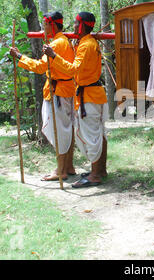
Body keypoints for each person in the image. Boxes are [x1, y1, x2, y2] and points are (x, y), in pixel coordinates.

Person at [43, 11, 108, 188]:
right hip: (93, 94)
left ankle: (95, 175)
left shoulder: (86, 45)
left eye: (75, 24)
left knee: (91, 136)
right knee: (98, 134)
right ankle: (100, 170)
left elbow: (73, 70)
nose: (72, 27)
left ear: (81, 25)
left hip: (90, 97)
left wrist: (54, 56)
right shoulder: (87, 43)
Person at [10, 11, 77, 182]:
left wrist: (19, 56)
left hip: (58, 92)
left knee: (59, 131)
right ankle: (68, 166)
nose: (42, 28)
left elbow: (40, 67)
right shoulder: (64, 41)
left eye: (44, 24)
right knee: (66, 130)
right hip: (66, 90)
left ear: (51, 25)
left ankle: (60, 170)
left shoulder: (57, 43)